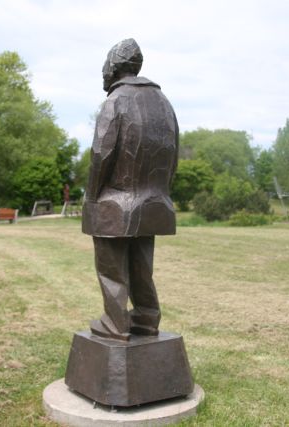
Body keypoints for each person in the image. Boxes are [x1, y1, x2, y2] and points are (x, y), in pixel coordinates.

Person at [82, 38, 179, 341]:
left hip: (115, 202)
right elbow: (173, 153)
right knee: (141, 268)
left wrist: (92, 196)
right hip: (154, 201)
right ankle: (147, 318)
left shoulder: (116, 101)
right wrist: (162, 191)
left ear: (112, 66)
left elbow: (101, 154)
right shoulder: (163, 103)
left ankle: (115, 322)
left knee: (112, 270)